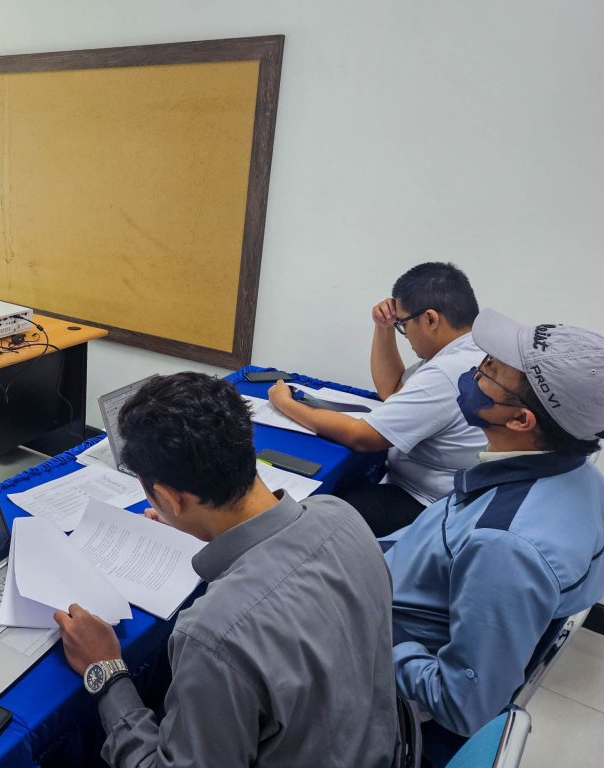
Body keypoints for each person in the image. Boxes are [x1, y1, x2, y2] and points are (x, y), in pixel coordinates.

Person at [53, 372, 397, 768]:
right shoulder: (341, 515)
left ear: (169, 497)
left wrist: (106, 670)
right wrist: (194, 525)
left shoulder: (213, 634)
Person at [383, 309, 604, 766]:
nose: (473, 372)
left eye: (488, 370)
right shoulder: (576, 478)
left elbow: (461, 704)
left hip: (386, 654)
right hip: (402, 592)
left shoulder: (506, 545)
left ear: (520, 419)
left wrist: (373, 637)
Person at [268, 262, 486, 535]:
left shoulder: (445, 372)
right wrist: (384, 327)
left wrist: (285, 404)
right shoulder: (473, 350)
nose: (405, 335)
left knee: (312, 521)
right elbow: (393, 389)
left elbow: (362, 436)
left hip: (427, 504)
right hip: (444, 493)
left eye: (403, 325)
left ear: (430, 319)